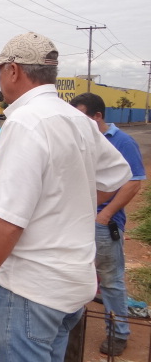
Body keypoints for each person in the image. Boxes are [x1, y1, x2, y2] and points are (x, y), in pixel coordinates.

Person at [0, 32, 132, 362]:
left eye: (0, 70)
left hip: (31, 290)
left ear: (13, 70)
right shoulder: (76, 118)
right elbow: (117, 175)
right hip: (72, 284)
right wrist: (64, 200)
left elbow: (8, 222)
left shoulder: (25, 123)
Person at [70, 92, 145, 357]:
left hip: (102, 224)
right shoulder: (80, 140)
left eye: (81, 117)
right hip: (76, 221)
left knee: (111, 281)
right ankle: (71, 327)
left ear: (97, 116)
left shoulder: (121, 141)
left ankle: (118, 333)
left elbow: (133, 182)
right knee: (76, 275)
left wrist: (105, 215)